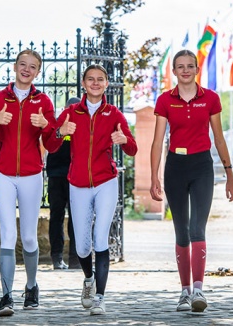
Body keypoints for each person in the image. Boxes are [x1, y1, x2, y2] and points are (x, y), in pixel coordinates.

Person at [0, 50, 57, 317]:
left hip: (31, 175)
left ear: (38, 72)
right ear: (15, 67)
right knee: (8, 234)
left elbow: (53, 144)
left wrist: (46, 125)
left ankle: (31, 286)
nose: (27, 69)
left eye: (33, 67)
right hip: (2, 173)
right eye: (23, 65)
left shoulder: (44, 102)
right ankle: (6, 297)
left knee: (28, 237)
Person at [45, 64, 137, 316]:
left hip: (105, 182)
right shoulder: (70, 112)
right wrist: (60, 132)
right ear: (83, 84)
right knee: (82, 247)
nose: (95, 83)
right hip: (77, 183)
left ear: (106, 84)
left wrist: (124, 141)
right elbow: (50, 145)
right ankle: (88, 279)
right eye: (90, 79)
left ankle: (99, 297)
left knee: (100, 240)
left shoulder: (115, 114)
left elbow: (133, 149)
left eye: (100, 79)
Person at [150, 49, 233, 313]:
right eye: (180, 66)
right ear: (174, 71)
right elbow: (157, 142)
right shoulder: (165, 100)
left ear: (197, 70)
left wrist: (230, 175)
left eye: (190, 66)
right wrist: (153, 176)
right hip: (175, 167)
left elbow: (219, 138)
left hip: (202, 166)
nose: (185, 70)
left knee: (198, 228)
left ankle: (199, 290)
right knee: (181, 231)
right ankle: (184, 292)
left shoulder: (210, 98)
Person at [46, 96, 81, 270]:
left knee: (76, 219)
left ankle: (74, 258)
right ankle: (57, 257)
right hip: (57, 175)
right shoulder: (56, 124)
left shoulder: (82, 124)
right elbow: (48, 144)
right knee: (57, 217)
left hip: (75, 177)